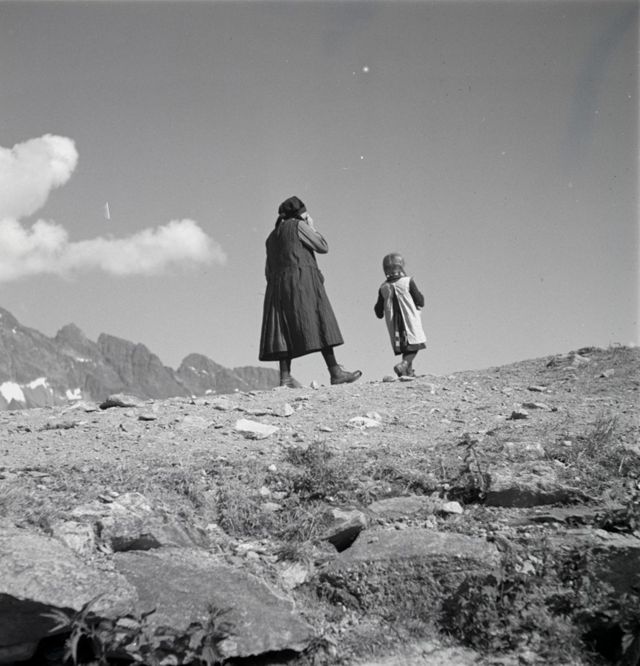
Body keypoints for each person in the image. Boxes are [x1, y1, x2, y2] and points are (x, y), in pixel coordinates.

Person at [259, 195, 362, 387]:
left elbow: (268, 270)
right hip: (302, 281)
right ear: (300, 214)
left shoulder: (271, 238)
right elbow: (322, 246)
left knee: (282, 330)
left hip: (277, 287)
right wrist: (311, 227)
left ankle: (285, 380)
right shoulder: (298, 226)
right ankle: (335, 372)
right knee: (320, 320)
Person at [374, 252, 426, 377]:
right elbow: (420, 301)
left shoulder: (383, 287)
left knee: (405, 346)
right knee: (415, 344)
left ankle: (407, 372)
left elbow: (378, 311)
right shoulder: (408, 281)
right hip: (409, 320)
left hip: (394, 324)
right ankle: (404, 364)